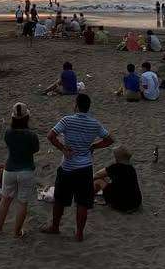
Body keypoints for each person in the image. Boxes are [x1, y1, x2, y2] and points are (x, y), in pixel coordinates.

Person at [43, 93, 113, 241]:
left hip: (67, 166)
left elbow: (50, 136)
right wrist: (94, 146)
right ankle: (79, 233)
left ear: (76, 105)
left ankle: (55, 226)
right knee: (82, 202)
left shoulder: (67, 120)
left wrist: (62, 148)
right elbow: (109, 139)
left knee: (60, 199)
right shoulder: (94, 123)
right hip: (85, 167)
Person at [0, 103, 40, 238]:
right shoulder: (31, 135)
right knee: (22, 202)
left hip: (10, 169)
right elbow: (35, 149)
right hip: (26, 169)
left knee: (5, 200)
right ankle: (17, 232)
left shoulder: (8, 132)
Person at [94, 146, 142, 212]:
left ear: (117, 158)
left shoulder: (115, 167)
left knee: (98, 181)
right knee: (105, 177)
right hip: (136, 203)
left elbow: (97, 174)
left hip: (121, 205)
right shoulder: (131, 168)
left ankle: (88, 198)